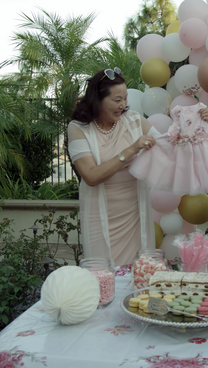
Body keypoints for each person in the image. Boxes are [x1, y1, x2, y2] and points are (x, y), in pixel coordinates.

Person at [66, 67, 160, 267]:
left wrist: (195, 123)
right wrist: (131, 150)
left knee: (138, 271)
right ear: (97, 99)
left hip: (135, 214)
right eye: (117, 100)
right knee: (103, 273)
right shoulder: (78, 128)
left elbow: (165, 145)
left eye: (125, 99)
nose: (123, 105)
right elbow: (91, 176)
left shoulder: (134, 120)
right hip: (99, 217)